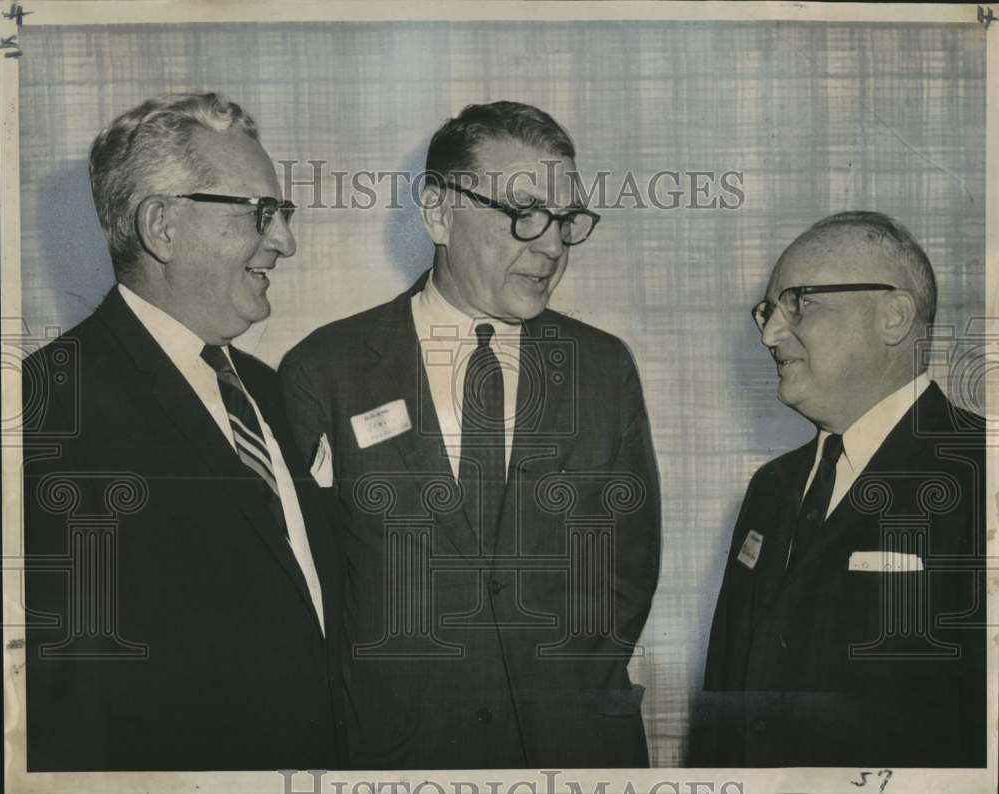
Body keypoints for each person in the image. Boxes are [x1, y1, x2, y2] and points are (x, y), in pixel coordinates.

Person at [280, 101, 661, 769]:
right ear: (438, 211)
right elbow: (310, 589)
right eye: (524, 214)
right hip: (397, 758)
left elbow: (628, 570)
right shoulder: (325, 370)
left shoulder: (605, 370)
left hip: (572, 756)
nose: (550, 246)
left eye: (567, 220)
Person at [22, 93, 345, 771]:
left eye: (281, 213)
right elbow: (66, 699)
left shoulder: (264, 388)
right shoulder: (49, 405)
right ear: (162, 226)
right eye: (261, 213)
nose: (285, 241)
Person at [690, 211, 986, 767]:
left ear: (893, 315)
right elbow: (724, 706)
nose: (770, 333)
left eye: (799, 301)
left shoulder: (981, 472)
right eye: (768, 310)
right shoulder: (771, 488)